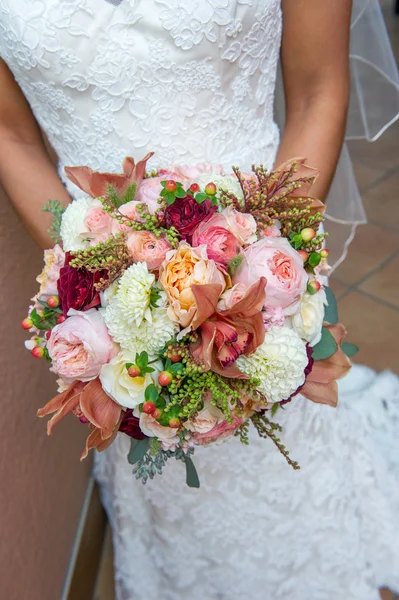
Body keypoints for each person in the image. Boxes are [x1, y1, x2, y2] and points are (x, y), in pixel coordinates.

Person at [1, 1, 398, 598]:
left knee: (281, 452)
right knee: (163, 453)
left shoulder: (265, 271)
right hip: (114, 298)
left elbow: (318, 90)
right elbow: (8, 132)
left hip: (260, 264)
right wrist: (99, 287)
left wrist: (266, 274)